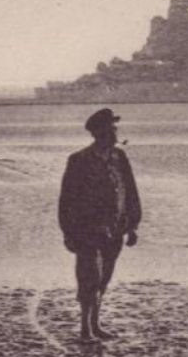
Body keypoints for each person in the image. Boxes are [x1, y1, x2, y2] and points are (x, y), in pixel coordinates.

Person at [58, 108, 141, 343]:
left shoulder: (119, 157)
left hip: (115, 229)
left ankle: (96, 324)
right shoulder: (78, 160)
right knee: (89, 279)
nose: (115, 133)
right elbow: (67, 199)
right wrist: (68, 232)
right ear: (99, 133)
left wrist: (133, 225)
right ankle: (85, 329)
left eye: (115, 129)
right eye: (111, 130)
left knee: (104, 279)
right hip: (86, 230)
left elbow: (131, 191)